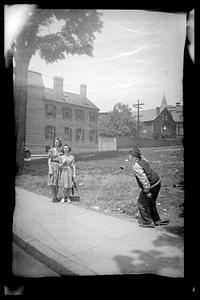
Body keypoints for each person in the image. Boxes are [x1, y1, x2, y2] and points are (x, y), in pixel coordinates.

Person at [128, 147, 169, 228]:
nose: (128, 157)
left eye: (130, 156)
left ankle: (148, 222)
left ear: (134, 157)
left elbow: (144, 180)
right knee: (150, 202)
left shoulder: (136, 166)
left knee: (141, 203)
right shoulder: (143, 160)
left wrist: (147, 192)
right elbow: (145, 161)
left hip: (151, 185)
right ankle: (156, 220)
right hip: (157, 182)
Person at [47, 137, 63, 203]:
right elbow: (49, 160)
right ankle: (54, 197)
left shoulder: (60, 151)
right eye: (56, 142)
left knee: (57, 183)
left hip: (59, 167)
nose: (57, 143)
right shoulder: (51, 150)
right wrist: (50, 169)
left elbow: (62, 160)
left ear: (59, 144)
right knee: (51, 182)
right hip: (53, 166)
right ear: (54, 143)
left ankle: (55, 197)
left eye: (58, 143)